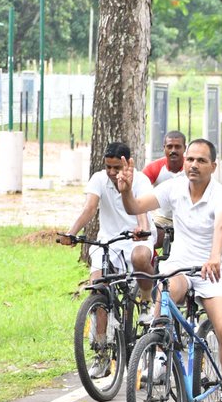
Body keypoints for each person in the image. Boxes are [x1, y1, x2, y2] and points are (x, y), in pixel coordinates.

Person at [115, 139, 222, 402]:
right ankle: (160, 352)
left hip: (213, 271)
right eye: (190, 160)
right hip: (182, 266)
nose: (193, 165)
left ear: (213, 166)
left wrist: (213, 257)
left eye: (201, 160)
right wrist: (125, 192)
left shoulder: (221, 195)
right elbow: (136, 205)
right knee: (168, 289)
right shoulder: (174, 187)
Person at [59, 142, 156, 359]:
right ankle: (101, 351)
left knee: (140, 257)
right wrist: (71, 233)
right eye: (108, 167)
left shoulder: (140, 180)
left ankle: (147, 301)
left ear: (128, 163)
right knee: (98, 286)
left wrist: (142, 229)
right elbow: (89, 208)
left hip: (137, 237)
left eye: (117, 168)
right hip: (109, 241)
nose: (112, 173)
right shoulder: (98, 179)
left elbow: (141, 208)